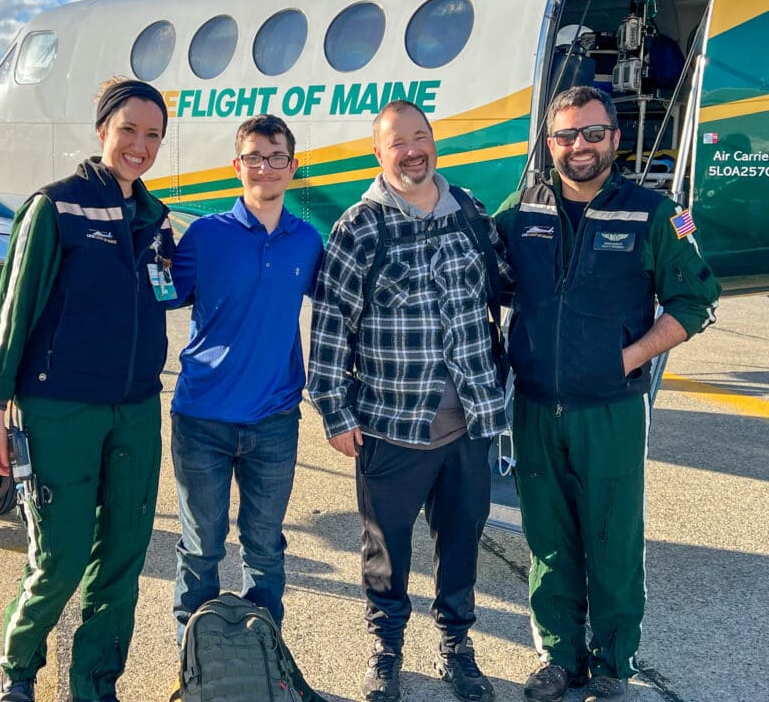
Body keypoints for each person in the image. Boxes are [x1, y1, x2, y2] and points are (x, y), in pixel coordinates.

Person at [494, 85, 721, 702]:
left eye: (593, 133)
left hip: (612, 410)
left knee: (613, 537)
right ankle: (559, 656)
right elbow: (482, 275)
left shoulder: (658, 211)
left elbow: (697, 299)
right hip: (536, 403)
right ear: (550, 142)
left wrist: (628, 357)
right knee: (547, 536)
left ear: (615, 139)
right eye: (566, 135)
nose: (580, 147)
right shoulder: (522, 209)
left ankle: (614, 662)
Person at [0, 78, 176, 702]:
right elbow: (14, 309)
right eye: (128, 131)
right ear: (102, 132)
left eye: (152, 135)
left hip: (136, 408)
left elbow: (166, 295)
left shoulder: (154, 220)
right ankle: (18, 672)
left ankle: (96, 684)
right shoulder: (55, 208)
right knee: (59, 557)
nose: (139, 146)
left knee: (121, 559)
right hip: (59, 407)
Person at [308, 99, 509, 702]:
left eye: (421, 136)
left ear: (434, 142)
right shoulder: (359, 226)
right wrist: (335, 413)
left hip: (471, 421)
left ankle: (456, 645)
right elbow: (328, 329)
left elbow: (505, 284)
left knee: (461, 540)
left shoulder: (470, 212)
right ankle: (386, 647)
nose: (413, 149)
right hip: (392, 425)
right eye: (399, 142)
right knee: (386, 549)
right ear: (379, 153)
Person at [168, 114, 323, 644]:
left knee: (264, 549)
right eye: (254, 157)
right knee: (201, 549)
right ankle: (195, 661)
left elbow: (344, 306)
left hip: (274, 423)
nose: (265, 167)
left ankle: (264, 657)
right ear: (237, 166)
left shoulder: (307, 241)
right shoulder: (206, 235)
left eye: (276, 156)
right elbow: (158, 292)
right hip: (202, 420)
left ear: (292, 166)